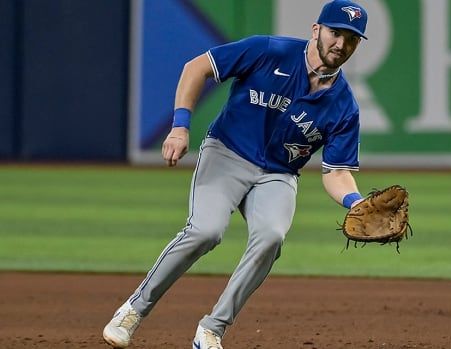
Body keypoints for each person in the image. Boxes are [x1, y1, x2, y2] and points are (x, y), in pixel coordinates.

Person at [103, 1, 368, 348]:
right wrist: (180, 127)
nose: (341, 44)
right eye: (336, 33)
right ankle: (134, 310)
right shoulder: (268, 50)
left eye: (352, 39)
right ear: (316, 30)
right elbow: (197, 68)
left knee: (272, 237)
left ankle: (211, 329)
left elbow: (337, 173)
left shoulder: (344, 106)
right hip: (226, 154)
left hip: (278, 174)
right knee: (205, 231)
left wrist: (356, 201)